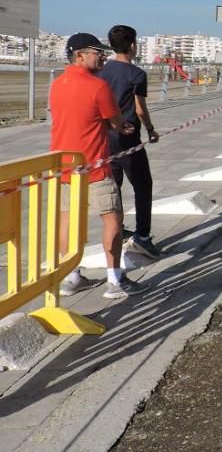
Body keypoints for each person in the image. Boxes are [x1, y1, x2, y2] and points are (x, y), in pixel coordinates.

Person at [50, 33, 148, 299]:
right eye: (97, 52)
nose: (102, 55)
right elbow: (116, 122)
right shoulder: (97, 86)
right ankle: (114, 281)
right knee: (113, 220)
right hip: (95, 167)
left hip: (64, 167)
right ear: (80, 55)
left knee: (67, 221)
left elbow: (80, 118)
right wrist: (124, 127)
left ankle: (70, 278)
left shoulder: (57, 84)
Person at [98, 25, 160, 260]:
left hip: (105, 138)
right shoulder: (137, 74)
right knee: (143, 185)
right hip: (127, 137)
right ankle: (142, 237)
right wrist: (151, 130)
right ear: (133, 45)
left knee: (114, 187)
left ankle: (119, 230)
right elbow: (139, 109)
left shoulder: (101, 71)